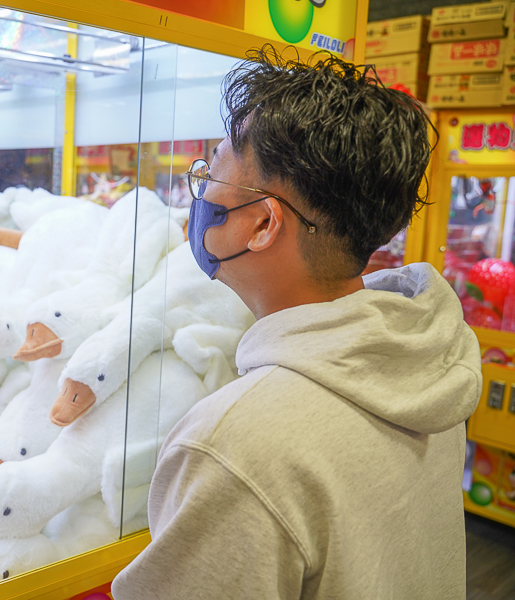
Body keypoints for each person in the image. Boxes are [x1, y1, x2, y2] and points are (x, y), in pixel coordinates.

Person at [112, 47, 481, 599]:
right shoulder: (430, 361)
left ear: (261, 222)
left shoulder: (234, 446)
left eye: (211, 171)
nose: (200, 191)